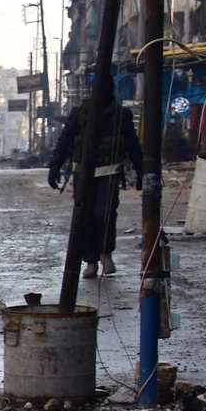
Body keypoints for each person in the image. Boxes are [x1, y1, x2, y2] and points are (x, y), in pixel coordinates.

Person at [47, 87, 145, 278]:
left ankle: (106, 254)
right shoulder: (79, 113)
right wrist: (55, 166)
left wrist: (142, 171)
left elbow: (132, 144)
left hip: (109, 170)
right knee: (85, 216)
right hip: (82, 172)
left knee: (105, 212)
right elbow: (65, 140)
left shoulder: (121, 114)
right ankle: (91, 261)